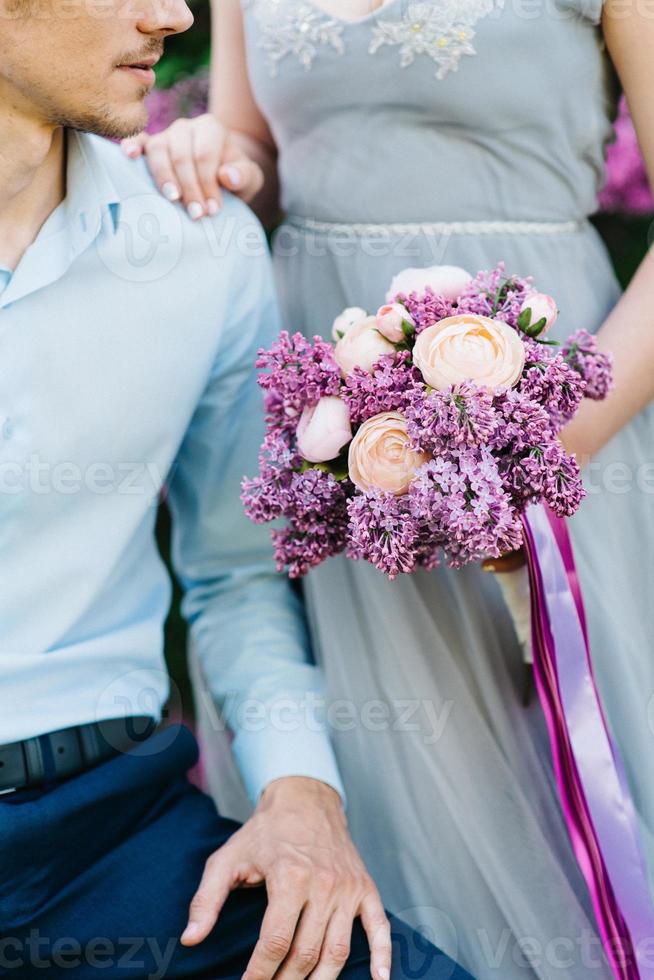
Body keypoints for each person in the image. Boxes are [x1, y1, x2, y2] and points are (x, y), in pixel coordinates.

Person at [125, 0, 654, 976]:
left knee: (563, 781)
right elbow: (260, 148)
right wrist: (214, 150)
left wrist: (519, 451)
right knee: (366, 775)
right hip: (331, 439)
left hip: (556, 421)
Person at [0, 0, 476, 978]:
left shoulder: (199, 245)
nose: (172, 13)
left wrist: (301, 794)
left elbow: (235, 571)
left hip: (113, 839)